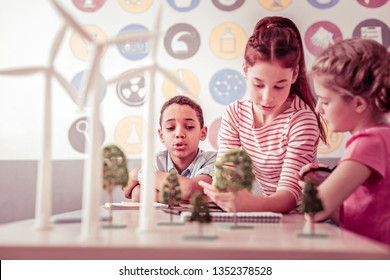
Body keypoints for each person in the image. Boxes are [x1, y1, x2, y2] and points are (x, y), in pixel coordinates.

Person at [200, 16, 326, 213]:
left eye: (279, 86)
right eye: (258, 84)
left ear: (294, 75)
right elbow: (226, 176)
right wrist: (224, 194)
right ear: (245, 70)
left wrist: (246, 204)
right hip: (269, 214)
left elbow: (288, 197)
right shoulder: (235, 113)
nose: (267, 98)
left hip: (304, 216)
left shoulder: (302, 121)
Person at [298, 38, 390, 245]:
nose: (318, 109)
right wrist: (328, 186)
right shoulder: (382, 136)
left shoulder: (368, 142)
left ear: (358, 103)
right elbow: (355, 216)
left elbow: (315, 212)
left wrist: (309, 190)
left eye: (326, 101)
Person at [123, 95, 217, 203]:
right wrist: (199, 199)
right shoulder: (156, 161)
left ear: (203, 133)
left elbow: (190, 189)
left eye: (189, 126)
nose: (179, 134)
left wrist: (138, 174)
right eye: (170, 128)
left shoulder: (213, 160)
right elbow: (137, 194)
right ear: (161, 135)